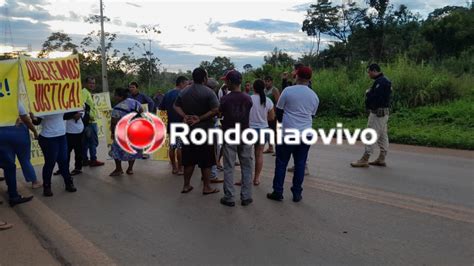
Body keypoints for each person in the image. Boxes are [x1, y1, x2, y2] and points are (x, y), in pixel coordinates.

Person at [267, 66, 319, 203]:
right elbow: (312, 116)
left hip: (288, 133)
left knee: (281, 163)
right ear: (309, 79)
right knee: (300, 163)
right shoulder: (314, 96)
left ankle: (278, 191)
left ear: (296, 76)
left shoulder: (288, 91)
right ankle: (297, 193)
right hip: (305, 134)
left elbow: (279, 111)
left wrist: (285, 121)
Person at [173, 67, 220, 195]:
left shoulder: (184, 92)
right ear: (205, 78)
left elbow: (175, 105)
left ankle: (186, 185)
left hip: (189, 131)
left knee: (188, 159)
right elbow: (215, 110)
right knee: (206, 161)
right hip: (205, 131)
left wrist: (184, 116)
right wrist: (200, 118)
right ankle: (206, 187)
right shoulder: (209, 92)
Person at [219, 70, 253, 207]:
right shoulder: (247, 98)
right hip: (245, 134)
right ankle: (246, 196)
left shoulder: (225, 99)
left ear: (230, 82)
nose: (225, 82)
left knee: (228, 166)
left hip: (230, 135)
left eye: (226, 80)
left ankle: (229, 197)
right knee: (246, 166)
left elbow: (220, 112)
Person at [351, 64, 392, 167]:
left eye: (369, 72)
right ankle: (382, 158)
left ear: (374, 71)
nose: (368, 74)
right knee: (382, 135)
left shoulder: (381, 82)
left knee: (370, 134)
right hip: (384, 113)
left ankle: (365, 158)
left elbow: (376, 98)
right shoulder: (384, 80)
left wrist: (368, 93)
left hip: (377, 114)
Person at [31, 110, 78, 197]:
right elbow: (37, 122)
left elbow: (66, 115)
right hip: (49, 138)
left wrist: (77, 108)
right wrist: (32, 116)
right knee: (50, 163)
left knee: (63, 161)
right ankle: (47, 187)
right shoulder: (43, 106)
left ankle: (68, 183)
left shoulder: (60, 103)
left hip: (62, 136)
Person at [0, 102, 35, 206]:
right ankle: (13, 196)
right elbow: (25, 118)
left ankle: (12, 191)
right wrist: (35, 131)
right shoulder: (13, 99)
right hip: (12, 133)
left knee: (8, 165)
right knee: (10, 166)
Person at [283, 63, 312, 175]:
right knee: (301, 148)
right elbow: (287, 90)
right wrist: (285, 80)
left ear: (298, 72)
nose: (292, 72)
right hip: (302, 121)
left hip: (299, 120)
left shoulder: (305, 85)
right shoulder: (296, 84)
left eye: (293, 70)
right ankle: (299, 166)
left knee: (299, 151)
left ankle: (303, 166)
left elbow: (287, 95)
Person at [109, 88, 144, 176]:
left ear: (120, 96)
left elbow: (114, 122)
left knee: (116, 150)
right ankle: (130, 169)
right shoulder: (135, 102)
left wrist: (113, 133)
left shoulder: (117, 108)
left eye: (115, 95)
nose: (114, 97)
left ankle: (118, 169)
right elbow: (141, 110)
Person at [159, 76, 188, 175]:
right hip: (181, 124)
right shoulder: (183, 94)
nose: (187, 86)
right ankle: (180, 168)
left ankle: (174, 168)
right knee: (180, 147)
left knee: (172, 146)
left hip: (171, 124)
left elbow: (161, 108)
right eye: (186, 84)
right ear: (181, 83)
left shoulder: (167, 94)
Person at [249, 79, 275, 186]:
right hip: (263, 129)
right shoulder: (268, 101)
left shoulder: (249, 99)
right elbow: (272, 117)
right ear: (263, 88)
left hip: (250, 130)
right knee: (259, 155)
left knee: (246, 155)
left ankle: (246, 177)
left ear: (253, 88)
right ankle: (256, 178)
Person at [14, 103, 42, 188]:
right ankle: (34, 181)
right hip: (19, 131)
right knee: (25, 159)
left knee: (9, 162)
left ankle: (12, 188)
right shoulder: (16, 101)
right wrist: (35, 131)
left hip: (3, 132)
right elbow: (26, 120)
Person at [82, 77, 105, 167]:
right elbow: (82, 105)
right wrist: (88, 117)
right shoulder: (84, 92)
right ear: (85, 84)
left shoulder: (88, 93)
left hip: (91, 121)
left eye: (94, 83)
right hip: (90, 122)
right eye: (90, 83)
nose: (92, 85)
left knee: (87, 142)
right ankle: (93, 160)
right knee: (93, 142)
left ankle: (85, 160)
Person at [53, 110, 84, 176]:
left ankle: (78, 168)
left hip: (77, 131)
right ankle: (63, 169)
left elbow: (77, 116)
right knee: (65, 152)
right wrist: (70, 114)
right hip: (65, 131)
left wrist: (65, 115)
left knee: (78, 151)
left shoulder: (78, 103)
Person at [263, 76, 280, 154]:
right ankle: (270, 147)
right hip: (265, 115)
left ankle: (278, 149)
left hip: (272, 114)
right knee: (268, 131)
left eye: (268, 81)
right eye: (265, 81)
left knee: (273, 131)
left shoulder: (274, 90)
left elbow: (278, 102)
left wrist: (275, 113)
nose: (266, 83)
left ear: (271, 82)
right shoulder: (264, 91)